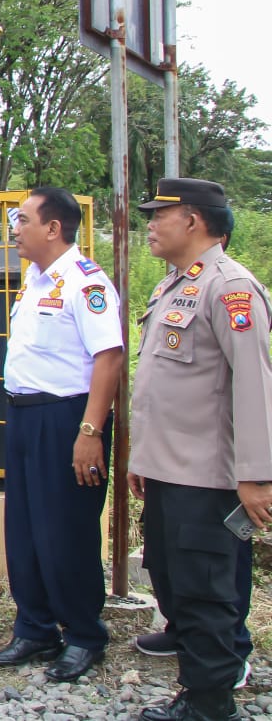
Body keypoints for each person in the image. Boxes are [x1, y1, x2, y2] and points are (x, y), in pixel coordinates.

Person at [128, 177, 272, 721]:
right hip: (168, 471)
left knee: (205, 590)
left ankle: (210, 701)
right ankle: (204, 670)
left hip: (206, 477)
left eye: (158, 215)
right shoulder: (175, 284)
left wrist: (256, 474)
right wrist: (143, 461)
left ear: (192, 220)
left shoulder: (231, 288)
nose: (150, 224)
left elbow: (255, 384)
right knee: (175, 581)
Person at [0, 188, 124, 682]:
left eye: (22, 220)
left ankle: (84, 634)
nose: (14, 229)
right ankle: (35, 626)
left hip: (65, 420)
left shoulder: (86, 282)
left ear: (54, 228)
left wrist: (90, 430)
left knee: (67, 531)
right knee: (23, 528)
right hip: (23, 416)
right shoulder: (36, 281)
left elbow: (110, 357)